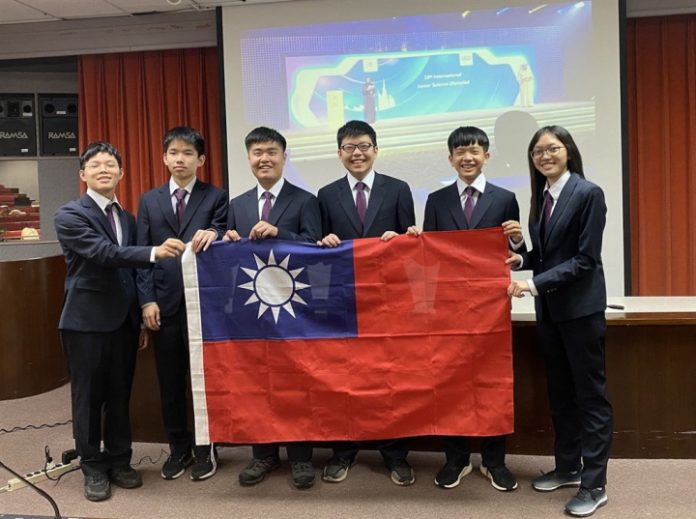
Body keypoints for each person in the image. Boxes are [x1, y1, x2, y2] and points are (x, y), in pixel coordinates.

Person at [54, 141, 186, 501]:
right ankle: (93, 467)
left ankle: (119, 459)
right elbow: (103, 254)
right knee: (88, 399)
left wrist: (141, 317)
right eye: (95, 165)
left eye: (110, 164)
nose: (103, 169)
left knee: (118, 394)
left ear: (121, 173)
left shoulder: (127, 218)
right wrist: (154, 252)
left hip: (124, 323)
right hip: (86, 323)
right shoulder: (70, 215)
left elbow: (129, 273)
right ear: (83, 175)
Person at [409, 126, 523, 492]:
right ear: (450, 159)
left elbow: (513, 254)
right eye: (460, 152)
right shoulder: (437, 200)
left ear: (486, 155)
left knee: (493, 382)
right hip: (448, 310)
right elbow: (428, 256)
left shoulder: (505, 199)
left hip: (490, 310)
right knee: (450, 382)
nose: (467, 157)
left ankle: (494, 461)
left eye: (474, 150)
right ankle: (455, 459)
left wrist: (519, 245)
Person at [508, 126, 613, 517]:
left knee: (591, 398)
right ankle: (569, 466)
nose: (545, 156)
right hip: (550, 313)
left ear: (568, 150)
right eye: (537, 151)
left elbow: (585, 260)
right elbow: (549, 254)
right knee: (561, 394)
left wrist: (533, 284)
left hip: (581, 311)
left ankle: (595, 483)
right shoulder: (541, 196)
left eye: (552, 148)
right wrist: (521, 258)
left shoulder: (588, 193)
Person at [317, 119, 416, 486]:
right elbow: (316, 250)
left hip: (389, 302)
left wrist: (402, 240)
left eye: (363, 146)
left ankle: (395, 454)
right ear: (339, 153)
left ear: (375, 149)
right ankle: (344, 451)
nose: (356, 153)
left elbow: (413, 246)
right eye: (349, 147)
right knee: (345, 378)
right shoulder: (325, 195)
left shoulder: (398, 189)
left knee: (391, 378)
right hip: (343, 302)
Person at [226, 126, 322, 489]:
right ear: (249, 158)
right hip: (252, 313)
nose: (263, 158)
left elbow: (314, 246)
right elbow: (229, 258)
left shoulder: (305, 199)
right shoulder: (238, 204)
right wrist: (228, 239)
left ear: (284, 156)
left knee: (295, 383)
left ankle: (300, 458)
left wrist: (279, 232)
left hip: (294, 311)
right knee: (256, 384)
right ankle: (263, 455)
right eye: (256, 153)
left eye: (271, 152)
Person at [136, 126, 228, 481]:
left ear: (201, 160)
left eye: (188, 153)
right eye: (174, 152)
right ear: (164, 158)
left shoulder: (216, 196)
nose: (180, 159)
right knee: (171, 382)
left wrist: (216, 233)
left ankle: (207, 448)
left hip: (206, 307)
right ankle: (177, 449)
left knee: (206, 381)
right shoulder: (149, 200)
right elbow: (143, 255)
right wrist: (146, 302)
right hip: (165, 305)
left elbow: (223, 233)